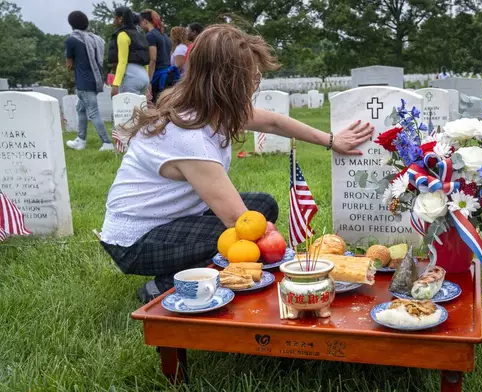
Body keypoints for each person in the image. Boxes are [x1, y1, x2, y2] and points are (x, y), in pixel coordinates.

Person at [99, 24, 374, 303]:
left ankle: (198, 270)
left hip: (170, 220)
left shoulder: (207, 107)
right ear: (227, 82)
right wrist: (294, 264)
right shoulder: (188, 138)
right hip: (136, 242)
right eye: (252, 77)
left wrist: (331, 140)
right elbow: (239, 223)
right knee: (246, 235)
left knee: (263, 206)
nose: (256, 84)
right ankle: (166, 286)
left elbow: (274, 121)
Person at [64, 11, 113, 151]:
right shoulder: (94, 39)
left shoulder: (71, 40)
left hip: (83, 81)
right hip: (95, 78)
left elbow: (69, 64)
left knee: (93, 112)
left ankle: (107, 142)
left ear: (71, 24)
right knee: (80, 109)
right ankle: (81, 140)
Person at [108, 6, 150, 96]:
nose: (113, 19)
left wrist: (115, 84)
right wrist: (148, 81)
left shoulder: (123, 35)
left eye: (114, 17)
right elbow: (145, 61)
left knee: (127, 109)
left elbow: (122, 62)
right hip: (144, 77)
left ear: (120, 19)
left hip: (131, 77)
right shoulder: (140, 35)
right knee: (139, 109)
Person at [139, 10, 176, 102]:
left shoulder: (150, 36)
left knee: (154, 107)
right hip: (168, 75)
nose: (139, 25)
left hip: (158, 77)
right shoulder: (165, 36)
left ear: (145, 21)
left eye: (140, 21)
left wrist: (148, 81)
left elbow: (152, 60)